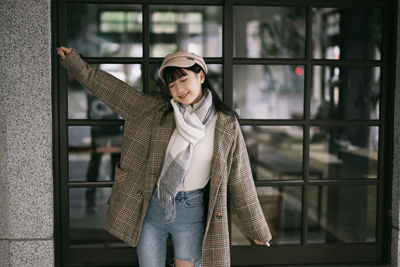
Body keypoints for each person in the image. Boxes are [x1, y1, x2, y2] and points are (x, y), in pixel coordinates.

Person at [57, 46, 272, 267]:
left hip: (191, 211)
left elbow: (241, 178)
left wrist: (256, 229)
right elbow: (113, 92)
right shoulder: (154, 111)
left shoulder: (226, 124)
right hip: (151, 208)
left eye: (183, 80)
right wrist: (75, 64)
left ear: (201, 76)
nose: (178, 89)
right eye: (172, 85)